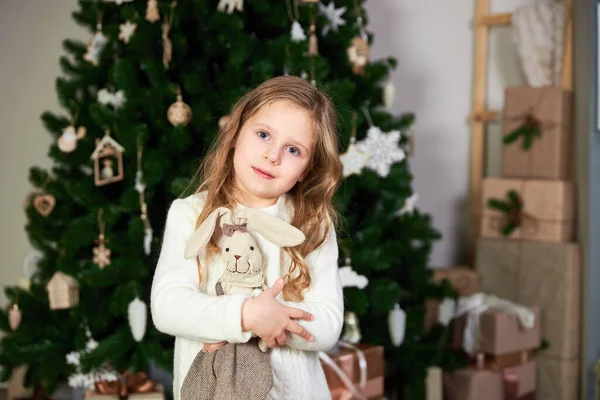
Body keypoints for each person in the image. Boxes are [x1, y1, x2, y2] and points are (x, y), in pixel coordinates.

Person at [151, 75, 344, 399]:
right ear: (236, 132)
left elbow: (327, 323)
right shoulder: (190, 214)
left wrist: (275, 320)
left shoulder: (311, 224)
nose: (273, 155)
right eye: (263, 134)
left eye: (294, 149)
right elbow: (167, 305)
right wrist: (246, 316)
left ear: (308, 169)